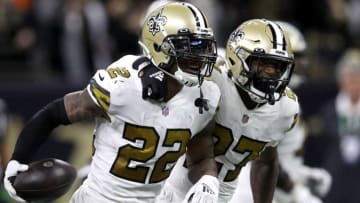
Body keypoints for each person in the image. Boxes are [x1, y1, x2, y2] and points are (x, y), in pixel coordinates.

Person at [3, 2, 221, 203]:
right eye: (189, 48)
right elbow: (54, 113)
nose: (200, 58)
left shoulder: (206, 96)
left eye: (203, 47)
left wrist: (208, 180)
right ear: (159, 48)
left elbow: (201, 157)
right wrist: (18, 159)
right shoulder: (124, 84)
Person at [157, 18, 299, 203]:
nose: (271, 73)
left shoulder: (285, 109)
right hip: (169, 182)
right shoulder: (211, 79)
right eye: (263, 64)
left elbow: (266, 161)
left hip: (222, 195)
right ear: (238, 58)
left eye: (277, 66)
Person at [229, 21, 332, 203]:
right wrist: (297, 192)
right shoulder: (262, 102)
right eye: (296, 57)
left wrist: (304, 176)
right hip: (252, 190)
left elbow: (280, 158)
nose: (301, 64)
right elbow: (257, 158)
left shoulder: (287, 103)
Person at [316, 48, 360, 203]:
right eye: (348, 76)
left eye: (357, 76)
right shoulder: (328, 110)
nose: (352, 81)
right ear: (341, 79)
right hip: (333, 183)